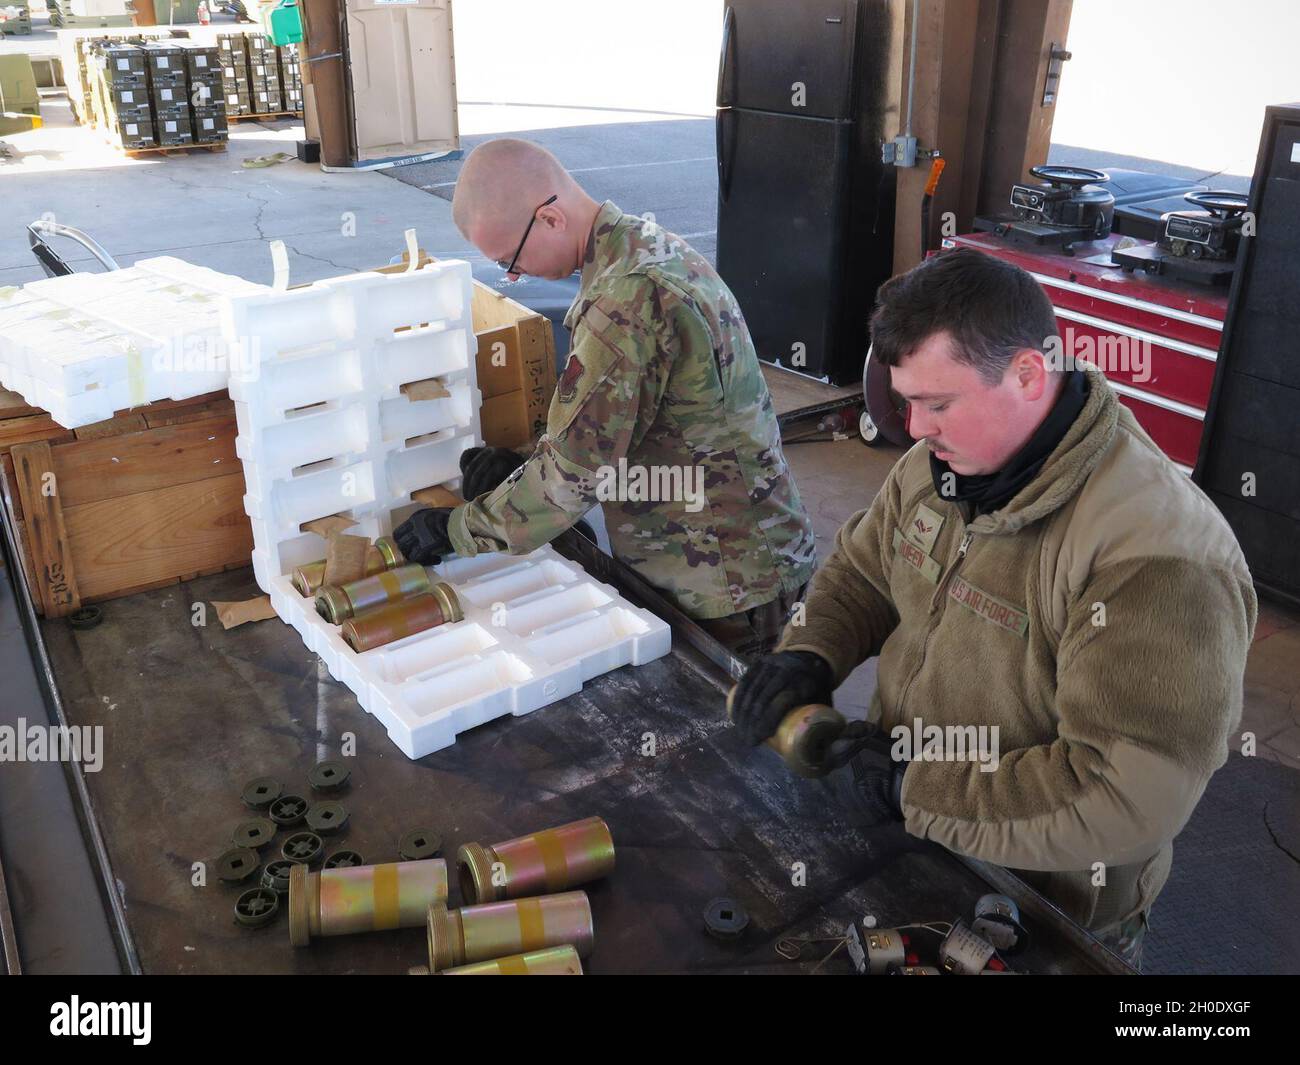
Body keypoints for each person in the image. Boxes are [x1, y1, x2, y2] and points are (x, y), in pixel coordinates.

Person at [730, 247, 1257, 968]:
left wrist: (913, 785)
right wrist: (809, 652)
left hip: (1044, 904)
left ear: (1028, 374)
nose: (914, 430)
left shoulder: (1160, 557)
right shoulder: (943, 466)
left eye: (938, 404)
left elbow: (1123, 797)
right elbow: (866, 569)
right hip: (917, 829)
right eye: (907, 401)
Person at [395, 138, 816, 658]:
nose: (515, 277)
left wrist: (460, 528)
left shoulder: (626, 299)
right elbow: (614, 421)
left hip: (722, 579)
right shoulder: (638, 246)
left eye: (511, 259)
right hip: (735, 550)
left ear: (549, 218)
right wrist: (522, 466)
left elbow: (574, 474)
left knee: (737, 728)